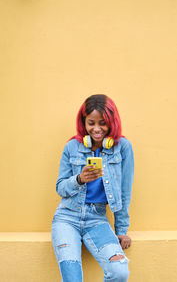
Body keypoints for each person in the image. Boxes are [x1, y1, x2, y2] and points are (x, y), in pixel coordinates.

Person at [51, 94, 134, 282]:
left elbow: (124, 191)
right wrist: (79, 179)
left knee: (119, 271)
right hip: (66, 218)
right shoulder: (72, 147)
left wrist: (121, 230)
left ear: (112, 123)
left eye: (103, 123)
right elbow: (60, 188)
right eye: (91, 123)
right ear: (84, 123)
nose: (97, 129)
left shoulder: (123, 148)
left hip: (96, 219)